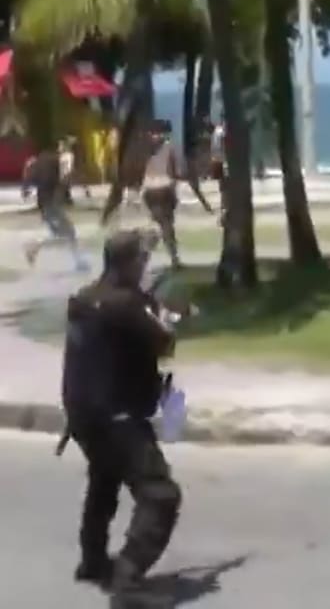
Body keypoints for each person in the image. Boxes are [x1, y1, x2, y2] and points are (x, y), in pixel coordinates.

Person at [60, 229, 182, 598]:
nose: (146, 265)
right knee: (160, 494)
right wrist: (166, 317)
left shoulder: (84, 299)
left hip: (81, 415)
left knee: (105, 479)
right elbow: (164, 343)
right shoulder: (126, 306)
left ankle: (93, 560)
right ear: (128, 263)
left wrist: (149, 304)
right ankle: (127, 582)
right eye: (142, 259)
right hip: (118, 416)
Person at [140, 120, 212, 269]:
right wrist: (202, 200)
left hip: (149, 191)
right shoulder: (170, 147)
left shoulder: (145, 149)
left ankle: (145, 256)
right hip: (164, 190)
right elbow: (178, 172)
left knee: (158, 224)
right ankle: (173, 259)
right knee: (166, 227)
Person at [22, 141, 88, 272]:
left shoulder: (38, 160)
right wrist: (83, 186)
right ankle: (34, 247)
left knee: (61, 233)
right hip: (51, 202)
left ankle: (78, 261)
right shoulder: (58, 159)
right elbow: (66, 177)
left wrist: (25, 189)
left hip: (43, 202)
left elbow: (29, 178)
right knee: (69, 232)